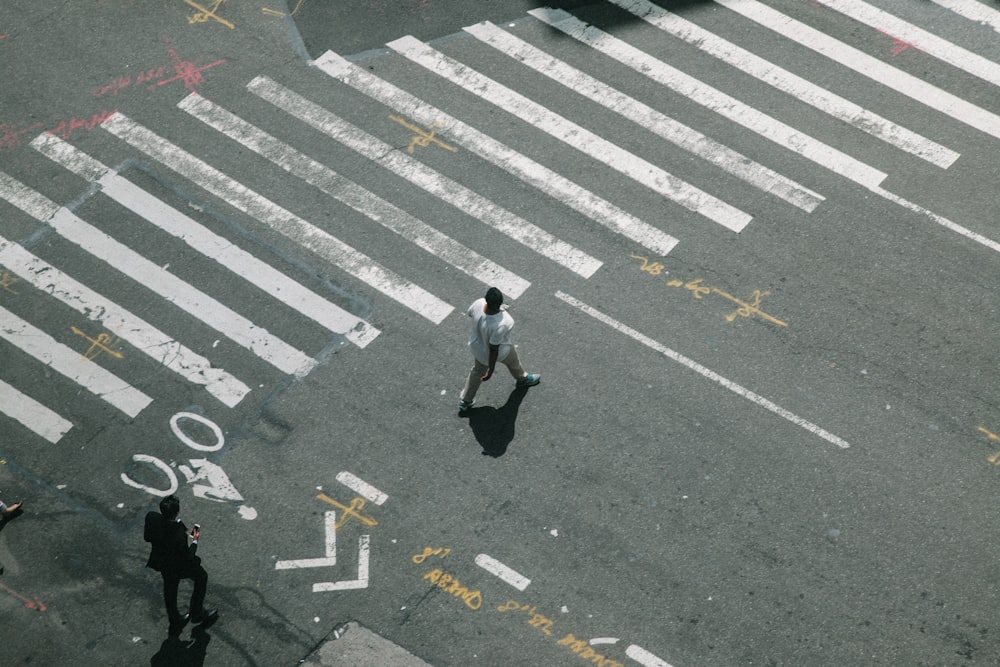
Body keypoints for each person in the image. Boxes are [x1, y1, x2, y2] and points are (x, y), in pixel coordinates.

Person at [144, 495, 218, 635]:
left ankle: (175, 619)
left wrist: (181, 527)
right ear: (176, 512)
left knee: (170, 589)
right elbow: (188, 556)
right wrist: (195, 540)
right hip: (178, 565)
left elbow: (147, 537)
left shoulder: (151, 517)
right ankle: (197, 612)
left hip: (163, 562)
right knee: (201, 577)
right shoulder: (178, 534)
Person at [458, 287, 540, 413]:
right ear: (500, 303)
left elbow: (471, 313)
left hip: (478, 348)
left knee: (476, 373)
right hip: (501, 352)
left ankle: (466, 401)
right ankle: (523, 379)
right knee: (514, 362)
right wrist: (491, 370)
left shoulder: (479, 303)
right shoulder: (505, 322)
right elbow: (494, 349)